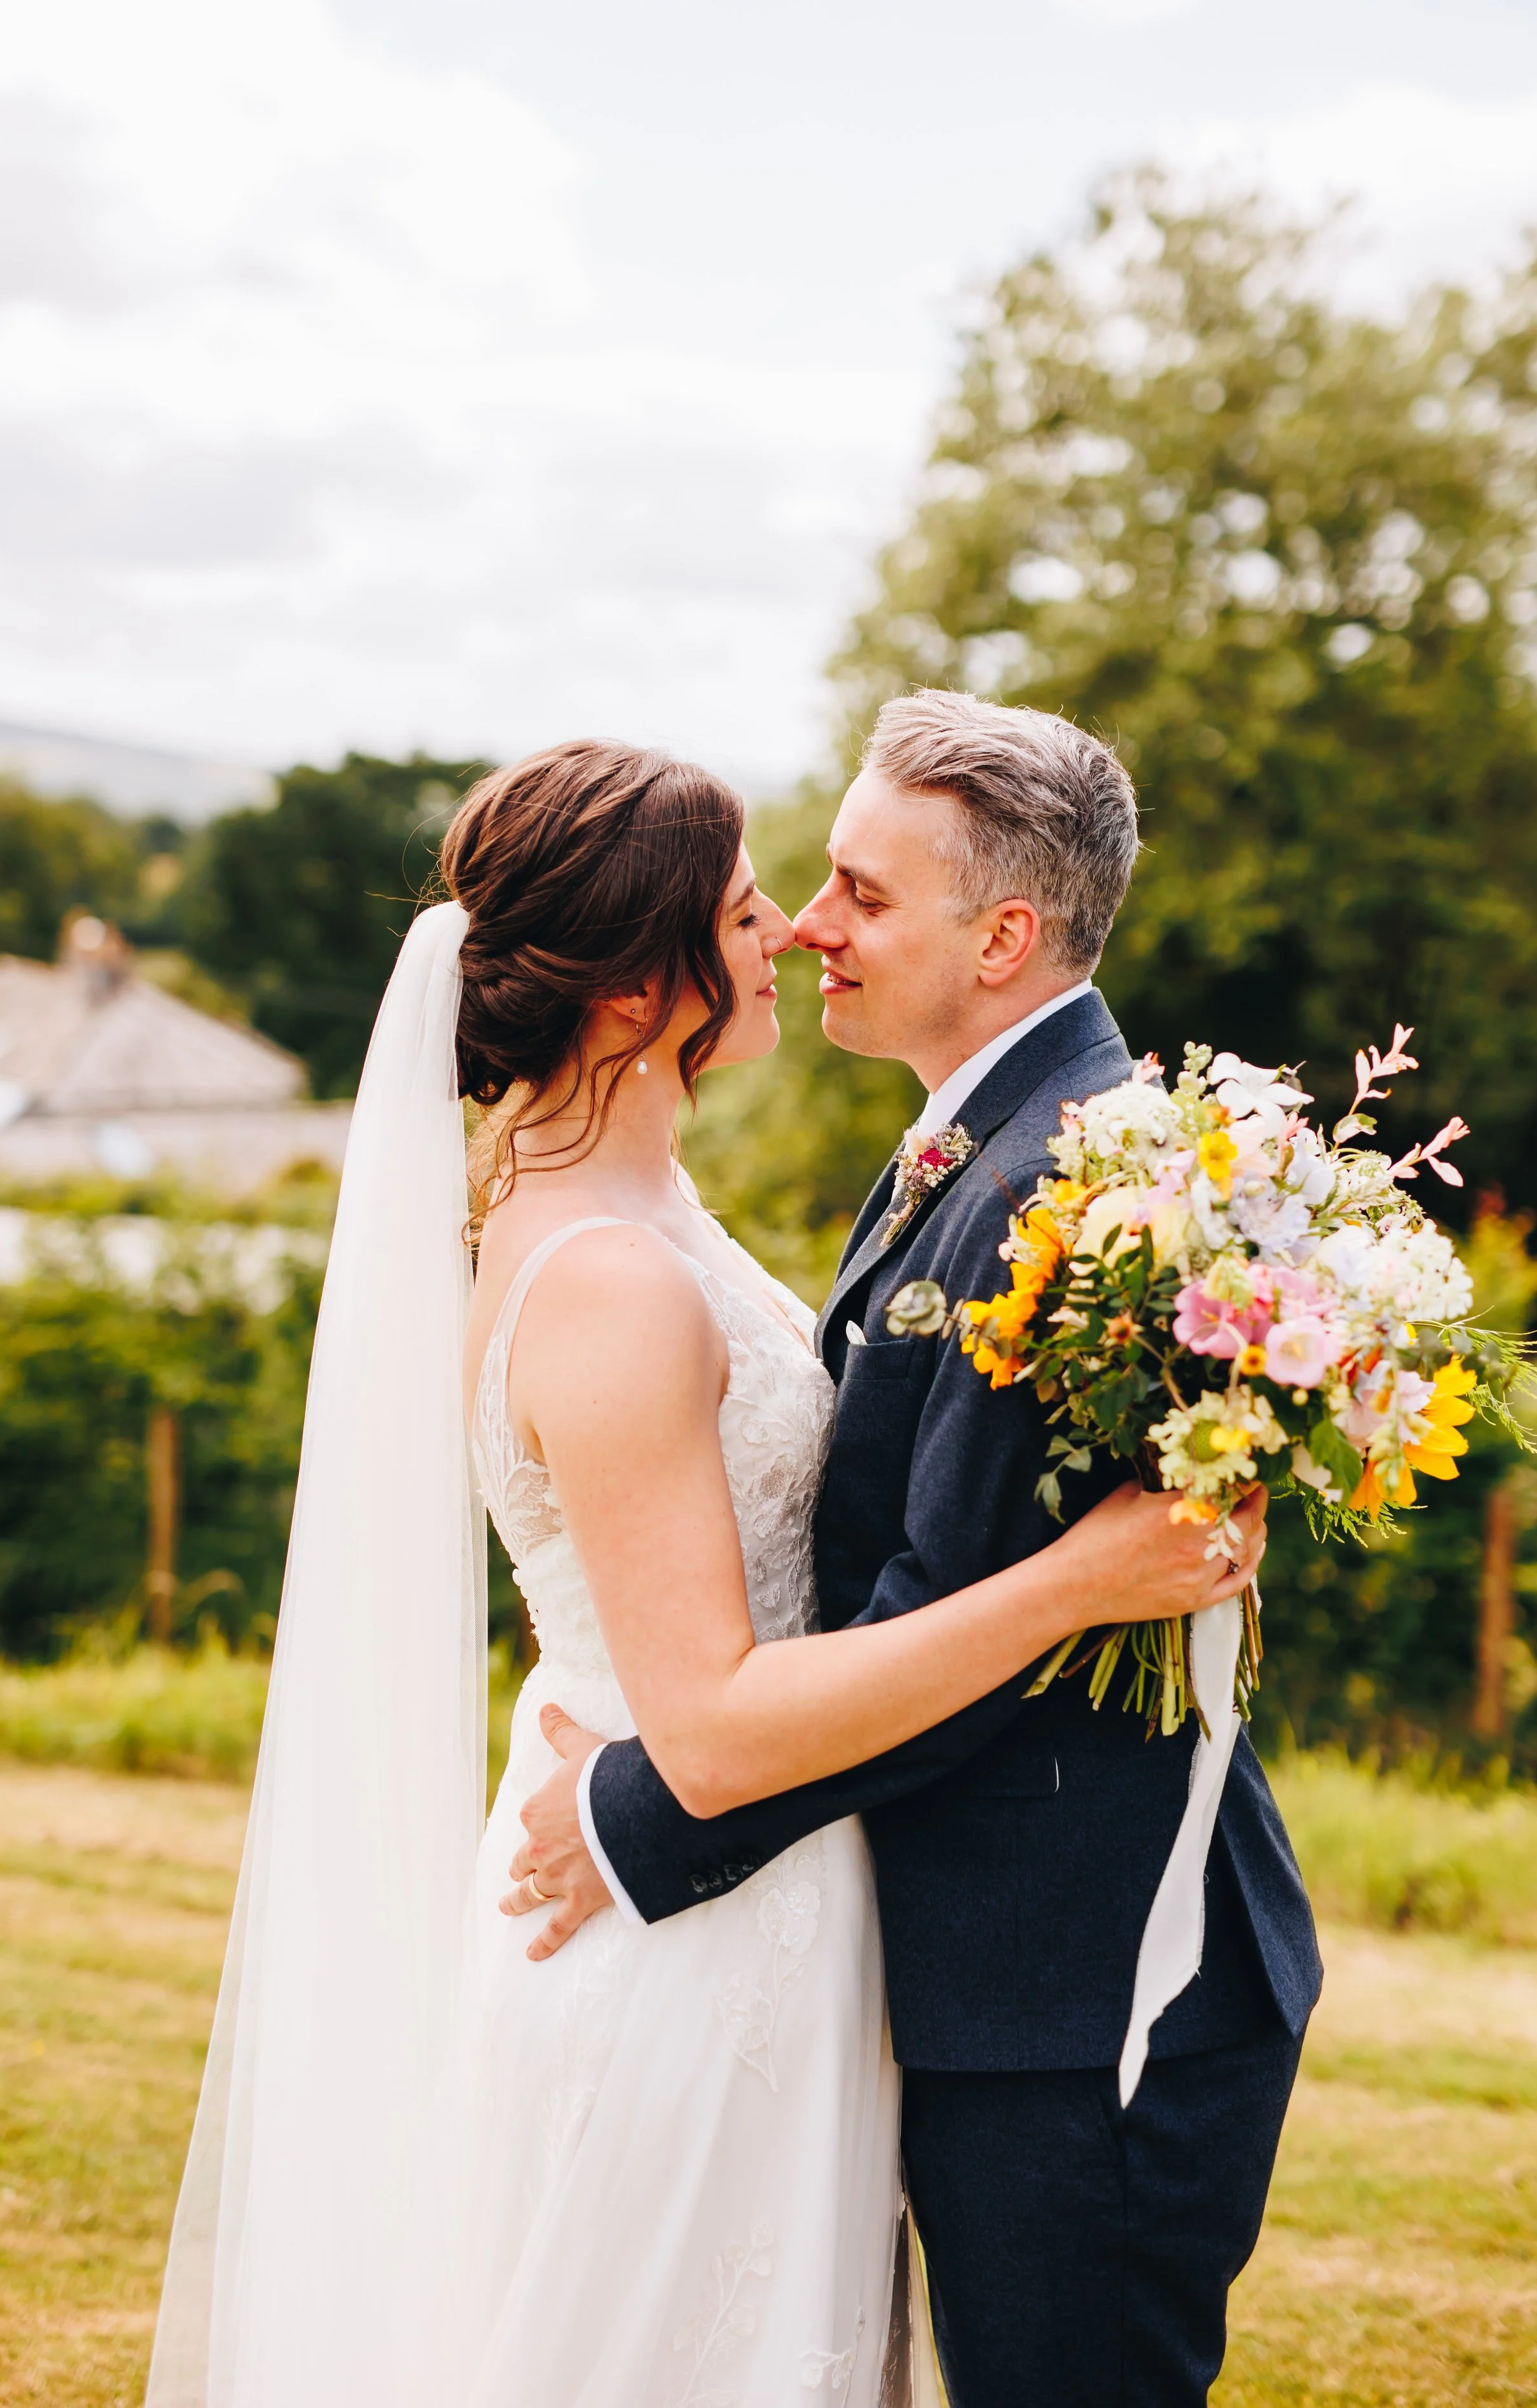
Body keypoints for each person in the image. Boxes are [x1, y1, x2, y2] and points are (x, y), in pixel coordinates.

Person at [146, 731, 1261, 2408]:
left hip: (742, 1883)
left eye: (834, 893)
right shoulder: (606, 1276)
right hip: (678, 1920)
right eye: (753, 907)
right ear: (629, 994)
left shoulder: (630, 1190)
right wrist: (1087, 1575)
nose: (796, 930)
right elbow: (721, 1709)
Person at [516, 694, 1324, 2408]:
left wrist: (643, 1806)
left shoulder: (1065, 1187)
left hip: (1089, 1991)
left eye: (859, 893)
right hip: (1006, 1973)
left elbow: (957, 1626)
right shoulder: (987, 1141)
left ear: (1002, 933)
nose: (811, 925)